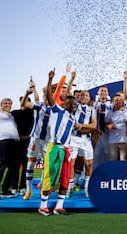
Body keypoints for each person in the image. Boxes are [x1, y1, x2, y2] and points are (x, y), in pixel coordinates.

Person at [39, 69, 77, 216]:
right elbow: (49, 95)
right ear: (65, 103)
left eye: (74, 104)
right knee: (49, 175)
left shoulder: (73, 119)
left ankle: (59, 206)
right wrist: (50, 80)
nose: (72, 105)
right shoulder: (57, 110)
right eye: (69, 103)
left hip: (66, 150)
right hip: (54, 148)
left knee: (65, 178)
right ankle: (43, 206)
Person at [23, 79, 51, 200]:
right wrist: (27, 94)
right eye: (45, 97)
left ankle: (43, 188)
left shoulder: (55, 110)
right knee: (30, 164)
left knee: (46, 166)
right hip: (35, 139)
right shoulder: (39, 106)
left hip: (47, 141)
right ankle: (29, 190)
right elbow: (25, 104)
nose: (46, 99)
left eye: (48, 97)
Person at [67, 89, 96, 198]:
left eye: (86, 95)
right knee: (71, 163)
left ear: (89, 98)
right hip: (73, 139)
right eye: (82, 95)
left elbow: (93, 125)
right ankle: (70, 186)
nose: (84, 96)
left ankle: (87, 187)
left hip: (86, 140)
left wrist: (81, 125)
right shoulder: (74, 107)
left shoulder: (92, 110)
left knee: (89, 164)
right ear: (78, 97)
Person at [11, 88, 34, 196]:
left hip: (28, 142)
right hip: (16, 142)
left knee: (26, 166)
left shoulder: (32, 113)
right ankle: (14, 186)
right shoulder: (14, 113)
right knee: (15, 165)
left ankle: (22, 187)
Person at [93, 85, 112, 167]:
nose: (103, 93)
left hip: (108, 133)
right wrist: (95, 113)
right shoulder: (93, 105)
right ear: (98, 93)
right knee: (96, 154)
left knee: (107, 153)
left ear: (107, 93)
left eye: (105, 91)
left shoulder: (111, 106)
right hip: (96, 133)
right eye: (101, 91)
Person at [106, 94, 127, 161]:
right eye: (116, 100)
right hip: (112, 141)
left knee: (123, 162)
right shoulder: (109, 113)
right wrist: (109, 126)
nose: (118, 102)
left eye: (120, 100)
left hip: (123, 140)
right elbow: (105, 123)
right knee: (112, 162)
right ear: (113, 102)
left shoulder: (126, 111)